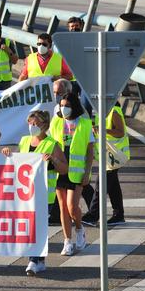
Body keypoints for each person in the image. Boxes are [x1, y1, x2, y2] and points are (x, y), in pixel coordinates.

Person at [1, 110, 67, 276]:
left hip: (45, 195)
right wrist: (8, 153)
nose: (32, 127)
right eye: (30, 123)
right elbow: (17, 162)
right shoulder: (24, 141)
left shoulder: (52, 144)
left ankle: (33, 260)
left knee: (36, 228)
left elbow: (64, 169)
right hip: (26, 194)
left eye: (36, 124)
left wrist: (53, 159)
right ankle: (41, 261)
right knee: (31, 227)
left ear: (44, 125)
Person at [49, 92, 94, 256]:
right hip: (59, 168)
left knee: (72, 207)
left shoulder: (84, 123)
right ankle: (67, 241)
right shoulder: (55, 122)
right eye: (61, 105)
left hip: (76, 171)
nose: (63, 108)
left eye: (67, 106)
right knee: (62, 207)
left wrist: (87, 172)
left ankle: (79, 229)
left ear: (74, 106)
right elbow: (48, 143)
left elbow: (90, 151)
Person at [83, 103, 129, 226]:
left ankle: (93, 215)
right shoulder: (102, 110)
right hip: (108, 156)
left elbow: (120, 132)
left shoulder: (113, 111)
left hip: (114, 156)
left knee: (101, 185)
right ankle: (118, 215)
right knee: (113, 187)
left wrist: (103, 129)